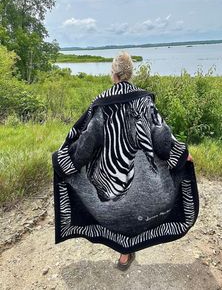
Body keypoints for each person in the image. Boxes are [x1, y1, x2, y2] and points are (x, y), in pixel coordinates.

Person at [52, 51, 199, 271]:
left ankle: (124, 254)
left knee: (116, 213)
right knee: (140, 211)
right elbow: (161, 136)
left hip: (112, 189)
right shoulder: (144, 99)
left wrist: (63, 161)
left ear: (114, 74)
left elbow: (85, 142)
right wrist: (180, 153)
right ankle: (131, 248)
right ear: (130, 73)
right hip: (141, 193)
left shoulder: (101, 103)